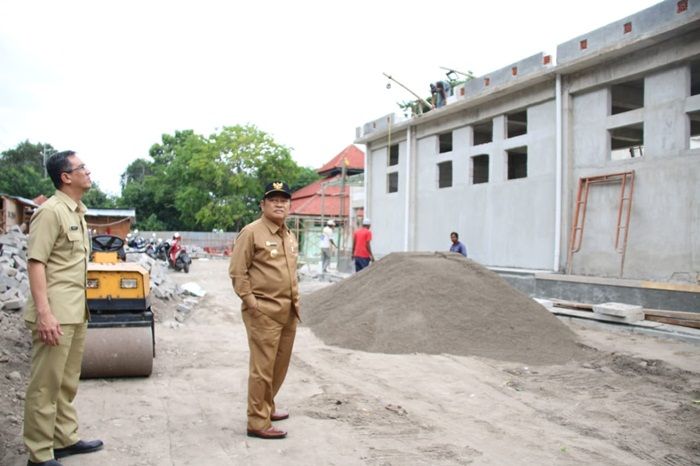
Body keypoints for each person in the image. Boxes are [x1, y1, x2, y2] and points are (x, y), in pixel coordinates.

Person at [23, 151, 103, 466]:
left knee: (67, 381)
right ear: (66, 177)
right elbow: (36, 262)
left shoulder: (76, 212)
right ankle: (40, 453)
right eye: (82, 167)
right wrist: (44, 313)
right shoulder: (51, 212)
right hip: (54, 314)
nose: (88, 170)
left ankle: (63, 439)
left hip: (75, 311)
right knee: (45, 385)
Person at [228, 181, 300, 440]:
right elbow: (238, 271)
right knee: (262, 368)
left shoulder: (289, 235)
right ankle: (257, 421)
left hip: (289, 311)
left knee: (279, 366)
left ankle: (266, 407)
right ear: (263, 205)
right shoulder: (252, 232)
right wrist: (251, 303)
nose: (279, 204)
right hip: (263, 311)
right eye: (273, 199)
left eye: (284, 200)